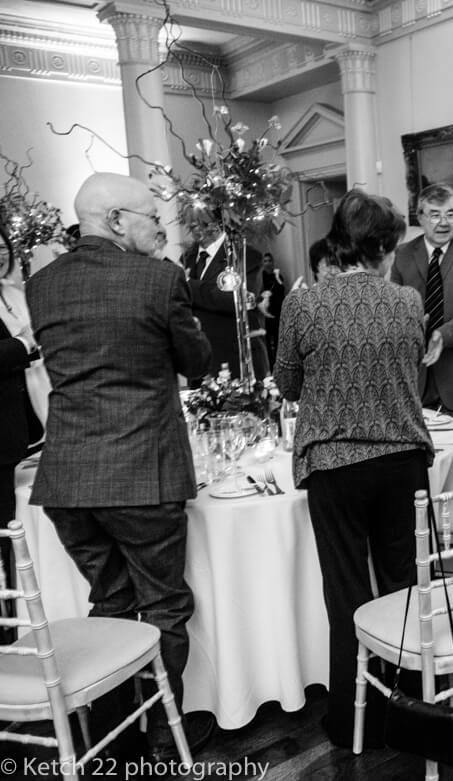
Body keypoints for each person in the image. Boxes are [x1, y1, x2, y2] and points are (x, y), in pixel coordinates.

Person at [25, 172, 215, 761]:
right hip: (141, 470)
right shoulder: (159, 280)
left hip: (67, 479)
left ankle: (114, 730)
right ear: (114, 221)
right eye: (148, 216)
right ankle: (165, 733)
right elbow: (198, 362)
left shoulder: (42, 285)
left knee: (108, 600)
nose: (157, 227)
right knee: (163, 604)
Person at [275, 189, 431, 748]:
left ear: (339, 242)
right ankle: (411, 702)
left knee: (347, 593)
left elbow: (288, 385)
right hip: (401, 462)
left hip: (335, 466)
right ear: (384, 246)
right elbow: (409, 366)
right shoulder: (409, 302)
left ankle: (351, 717)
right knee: (404, 585)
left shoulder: (304, 304)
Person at [391, 183, 453, 486]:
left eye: (450, 214)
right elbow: (395, 307)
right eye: (434, 215)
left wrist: (442, 334)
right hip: (415, 378)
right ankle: (432, 527)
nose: (443, 222)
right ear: (419, 217)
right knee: (420, 460)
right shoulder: (402, 255)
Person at [0, 224, 48, 641]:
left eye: (3, 247)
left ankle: (27, 607)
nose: (1, 254)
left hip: (31, 412)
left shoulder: (14, 293)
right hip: (2, 432)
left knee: (18, 527)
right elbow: (18, 345)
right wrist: (22, 346)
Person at [180, 213, 269, 382]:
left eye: (197, 214)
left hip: (235, 363)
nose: (190, 222)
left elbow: (234, 299)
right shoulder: (186, 258)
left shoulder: (245, 256)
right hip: (200, 365)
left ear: (215, 222)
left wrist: (187, 284)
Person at [260, 251, 285, 367]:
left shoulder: (278, 276)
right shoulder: (260, 278)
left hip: (278, 313)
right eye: (265, 261)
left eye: (270, 260)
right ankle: (270, 366)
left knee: (278, 340)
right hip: (264, 314)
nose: (268, 263)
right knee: (266, 343)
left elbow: (281, 292)